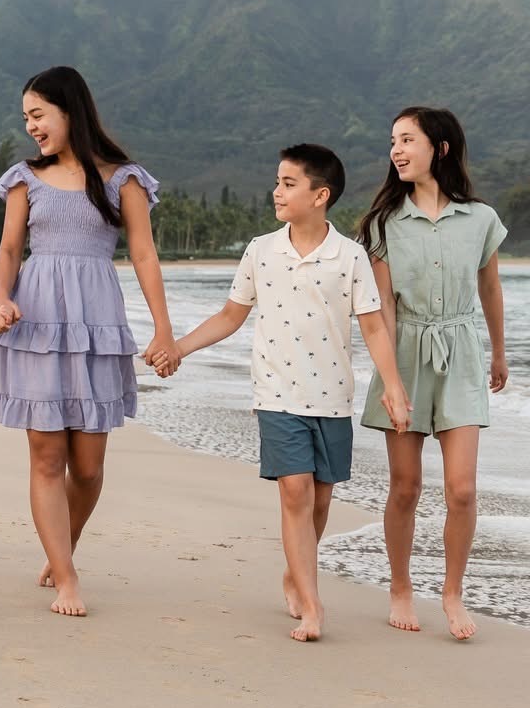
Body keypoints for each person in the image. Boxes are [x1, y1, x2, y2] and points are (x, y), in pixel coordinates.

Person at [163, 144, 409, 640]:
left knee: (319, 502)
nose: (277, 191)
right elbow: (231, 316)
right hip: (275, 393)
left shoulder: (351, 256)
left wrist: (394, 388)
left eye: (289, 183)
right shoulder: (261, 250)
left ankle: (296, 574)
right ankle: (313, 604)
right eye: (277, 182)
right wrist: (180, 347)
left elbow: (376, 329)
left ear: (321, 196)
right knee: (295, 492)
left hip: (332, 397)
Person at [0, 66, 176, 617]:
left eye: (38, 115)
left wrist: (163, 329)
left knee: (89, 467)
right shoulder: (24, 177)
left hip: (97, 320)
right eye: (26, 118)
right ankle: (66, 575)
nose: (31, 127)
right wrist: (1, 298)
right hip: (38, 319)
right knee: (47, 457)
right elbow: (7, 249)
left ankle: (60, 545)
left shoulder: (124, 179)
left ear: (69, 110)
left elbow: (143, 254)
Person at [357, 108, 510, 640]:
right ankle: (400, 585)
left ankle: (451, 591)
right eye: (393, 141)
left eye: (407, 140)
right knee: (405, 487)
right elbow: (383, 309)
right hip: (405, 351)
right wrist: (393, 382)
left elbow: (490, 289)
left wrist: (498, 353)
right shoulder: (382, 224)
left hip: (463, 352)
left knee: (462, 490)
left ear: (439, 148)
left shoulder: (481, 219)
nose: (397, 150)